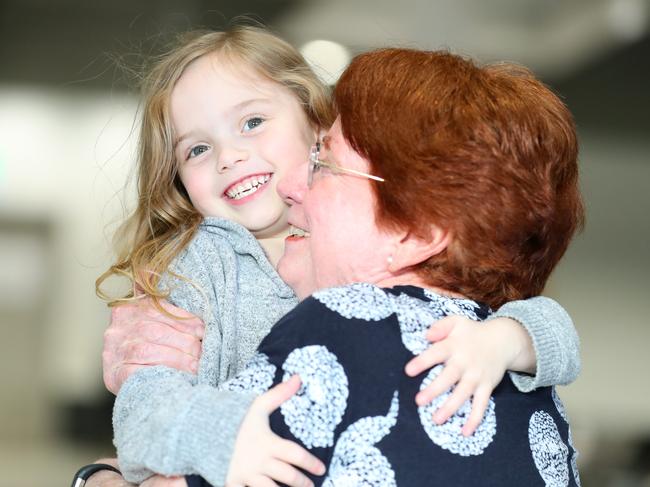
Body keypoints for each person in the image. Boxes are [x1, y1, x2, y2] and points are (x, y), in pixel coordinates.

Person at [89, 27, 580, 487]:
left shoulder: (402, 284)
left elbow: (549, 326)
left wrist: (504, 340)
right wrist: (224, 434)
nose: (228, 156)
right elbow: (143, 405)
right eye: (196, 149)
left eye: (253, 122)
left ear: (315, 124)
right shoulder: (193, 268)